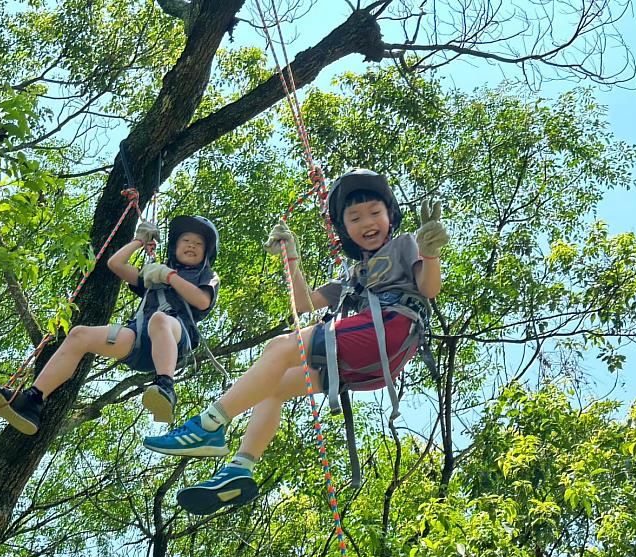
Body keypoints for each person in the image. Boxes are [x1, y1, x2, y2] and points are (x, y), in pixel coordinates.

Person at [143, 169, 449, 515]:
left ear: (390, 214)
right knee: (275, 386)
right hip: (370, 365)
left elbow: (429, 289)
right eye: (355, 217)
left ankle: (208, 426)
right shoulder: (354, 276)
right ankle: (239, 469)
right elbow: (302, 303)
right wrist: (291, 255)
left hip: (390, 330)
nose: (367, 222)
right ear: (345, 229)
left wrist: (430, 253)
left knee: (281, 347)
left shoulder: (404, 244)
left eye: (374, 213)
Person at [0, 215, 221, 436]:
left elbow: (201, 300)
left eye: (198, 243)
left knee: (159, 320)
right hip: (139, 340)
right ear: (174, 246)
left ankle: (165, 387)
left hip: (175, 338)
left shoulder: (205, 275)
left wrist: (169, 277)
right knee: (79, 335)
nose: (191, 245)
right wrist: (139, 241)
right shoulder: (153, 274)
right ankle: (32, 401)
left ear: (206, 253)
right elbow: (115, 264)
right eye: (186, 240)